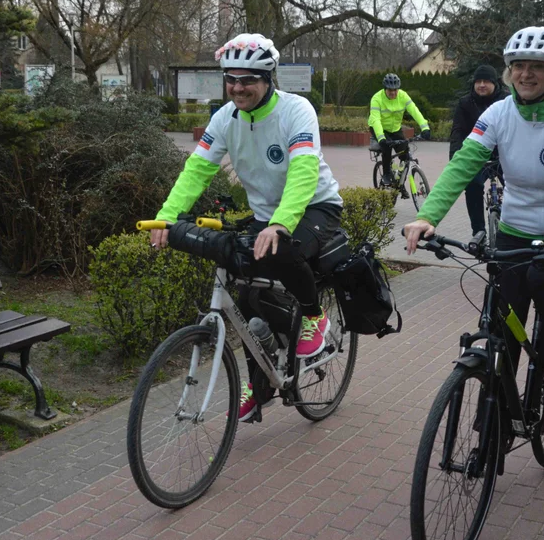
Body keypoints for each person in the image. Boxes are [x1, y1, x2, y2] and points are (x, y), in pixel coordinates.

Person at [403, 26, 544, 406]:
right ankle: (496, 418)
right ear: (509, 72)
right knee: (502, 319)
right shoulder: (498, 113)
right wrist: (429, 215)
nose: (526, 74)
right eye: (518, 66)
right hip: (515, 230)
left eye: (537, 67)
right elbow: (464, 162)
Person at [149, 33, 344, 422]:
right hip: (265, 214)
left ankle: (312, 316)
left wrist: (281, 224)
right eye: (231, 79)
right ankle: (263, 379)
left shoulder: (296, 110)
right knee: (248, 294)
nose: (238, 87)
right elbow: (196, 171)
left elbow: (304, 173)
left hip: (314, 207)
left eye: (248, 79)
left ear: (268, 78)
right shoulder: (224, 119)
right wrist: (166, 217)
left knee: (280, 248)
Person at [449, 65, 506, 239]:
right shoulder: (465, 103)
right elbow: (457, 131)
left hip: (503, 156)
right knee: (472, 185)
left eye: (486, 81)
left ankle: (515, 228)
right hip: (477, 156)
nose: (482, 85)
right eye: (478, 81)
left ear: (495, 83)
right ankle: (478, 232)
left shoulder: (506, 101)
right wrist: (455, 157)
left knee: (518, 186)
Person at [369, 73, 431, 187]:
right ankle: (387, 174)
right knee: (386, 148)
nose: (393, 93)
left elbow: (414, 111)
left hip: (395, 129)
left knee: (405, 155)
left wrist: (425, 127)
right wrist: (381, 138)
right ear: (385, 89)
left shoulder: (403, 96)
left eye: (395, 90)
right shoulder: (376, 98)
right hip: (379, 128)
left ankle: (400, 183)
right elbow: (376, 120)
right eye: (390, 90)